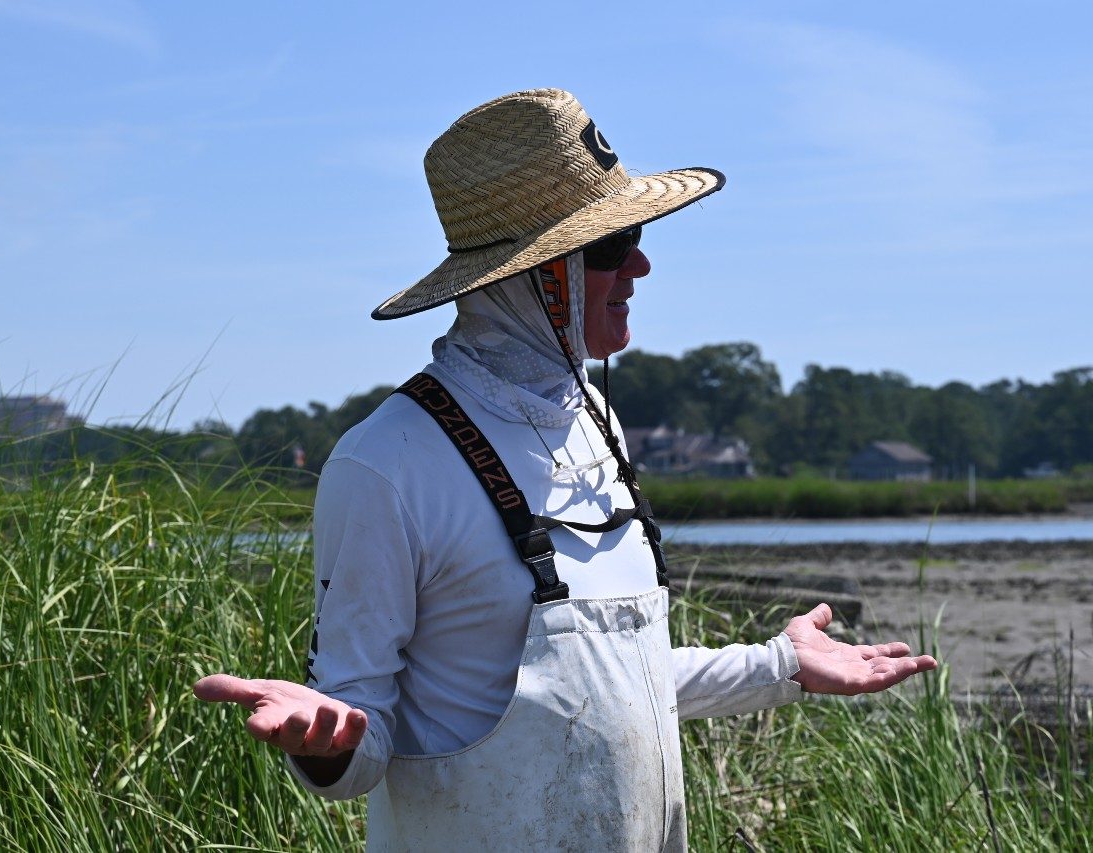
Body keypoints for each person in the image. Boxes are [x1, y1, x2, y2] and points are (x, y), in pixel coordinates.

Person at [194, 88, 937, 851]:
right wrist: (329, 740)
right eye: (612, 247)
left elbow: (611, 680)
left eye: (635, 234)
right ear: (533, 275)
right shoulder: (385, 463)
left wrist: (781, 666)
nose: (642, 265)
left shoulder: (598, 427)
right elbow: (361, 741)